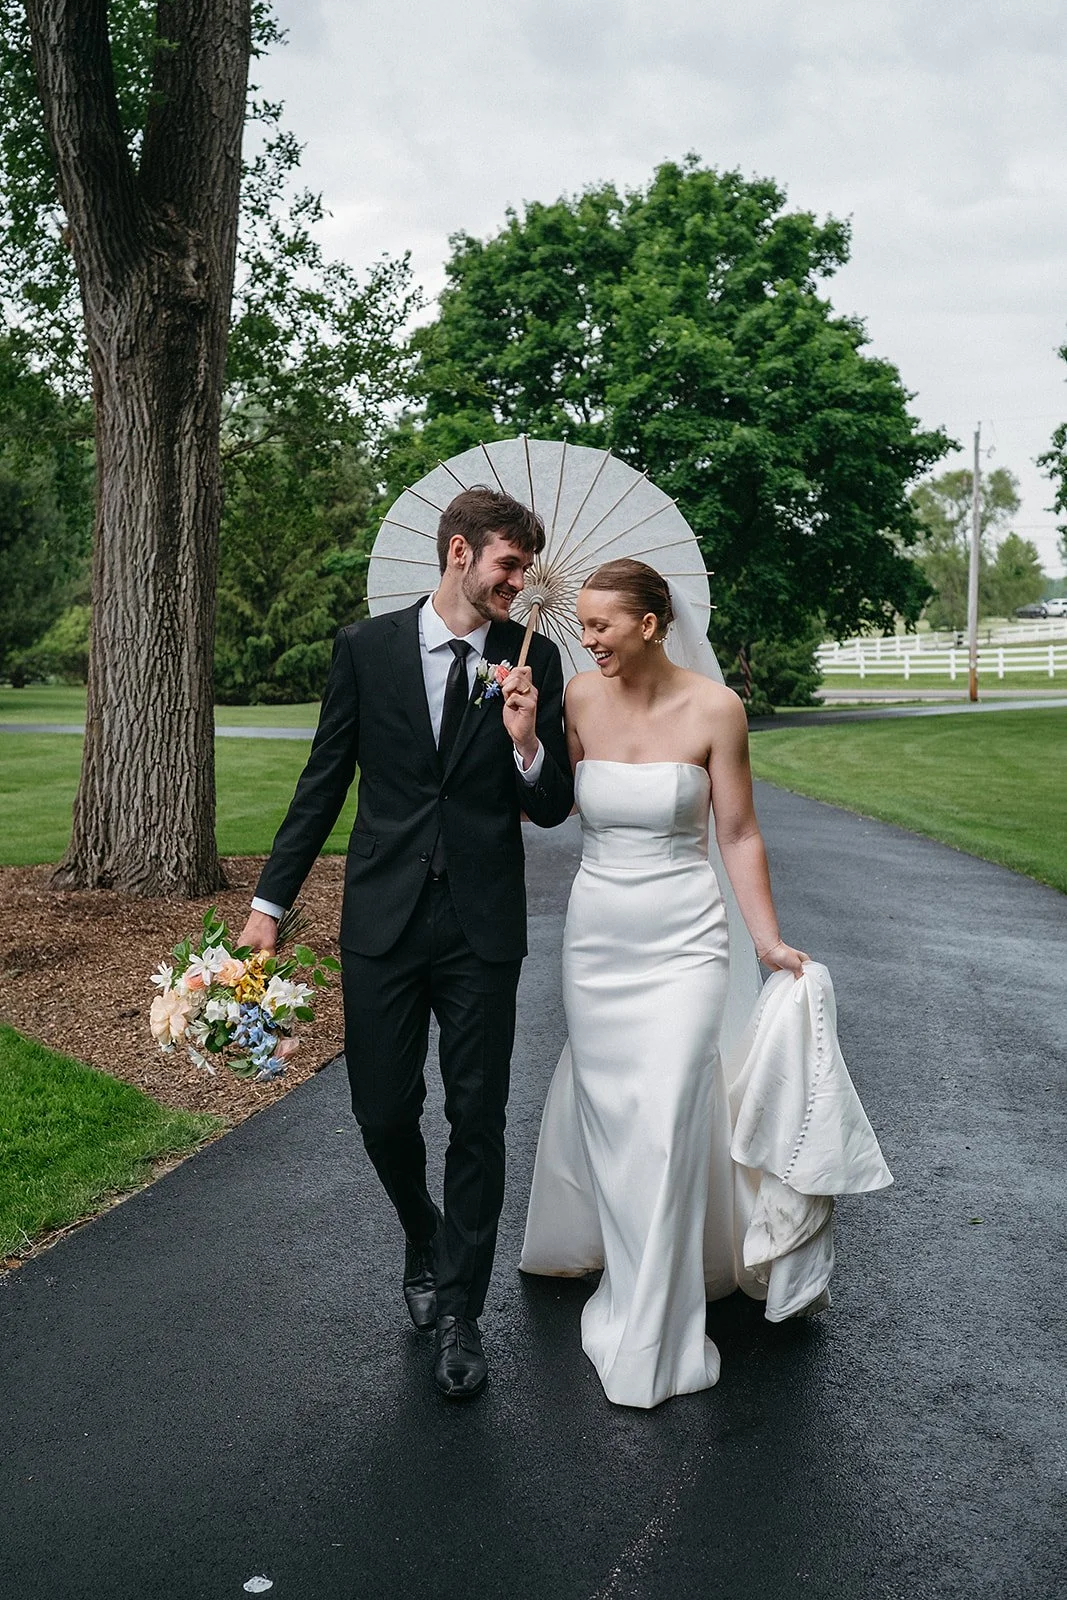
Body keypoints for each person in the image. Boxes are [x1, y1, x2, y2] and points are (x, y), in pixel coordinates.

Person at [239, 487, 574, 1400]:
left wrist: (525, 741)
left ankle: (461, 1310)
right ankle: (424, 1235)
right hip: (382, 919)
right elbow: (321, 785)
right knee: (382, 1111)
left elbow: (551, 807)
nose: (520, 582)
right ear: (459, 553)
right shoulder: (367, 649)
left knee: (477, 1116)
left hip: (481, 927)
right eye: (509, 564)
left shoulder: (529, 659)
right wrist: (271, 903)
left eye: (526, 569)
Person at [520, 558, 809, 1410]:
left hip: (686, 938)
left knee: (673, 1109)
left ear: (652, 623)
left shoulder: (716, 709)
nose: (589, 637)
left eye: (603, 623)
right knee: (616, 1114)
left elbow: (740, 833)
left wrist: (767, 941)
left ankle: (657, 1319)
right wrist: (527, 743)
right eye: (584, 623)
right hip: (598, 938)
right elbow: (555, 806)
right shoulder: (574, 696)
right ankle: (633, 1266)